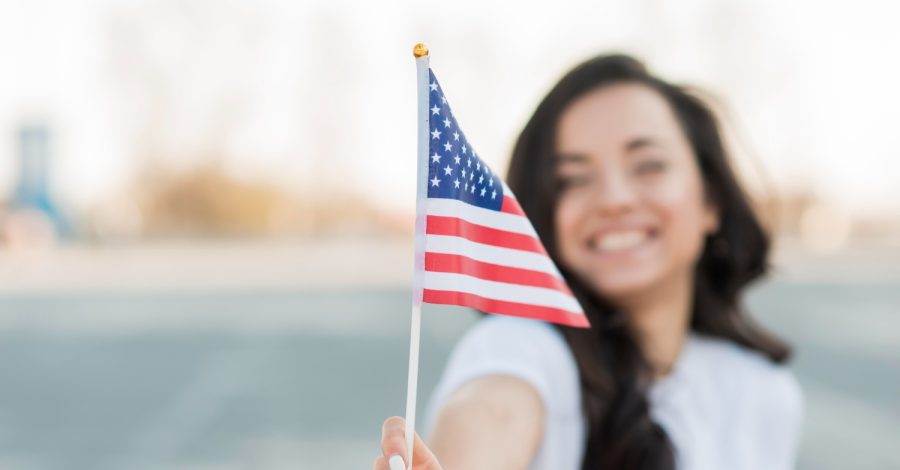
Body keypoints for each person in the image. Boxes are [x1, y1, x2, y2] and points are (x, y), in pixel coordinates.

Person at [374, 54, 803, 470]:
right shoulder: (524, 347)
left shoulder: (765, 393)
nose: (614, 199)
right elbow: (494, 409)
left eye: (648, 165)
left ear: (711, 199)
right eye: (573, 178)